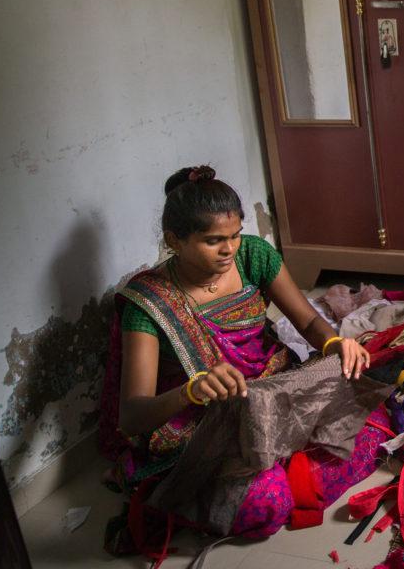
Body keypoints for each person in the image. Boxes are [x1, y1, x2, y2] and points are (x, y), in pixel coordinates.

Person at [100, 166, 384, 544]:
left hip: (271, 391)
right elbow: (133, 417)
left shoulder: (253, 255)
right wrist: (191, 390)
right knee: (267, 504)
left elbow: (307, 321)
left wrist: (335, 345)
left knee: (372, 419)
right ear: (174, 240)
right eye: (213, 240)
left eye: (234, 235)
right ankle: (265, 477)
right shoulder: (150, 303)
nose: (229, 249)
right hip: (203, 419)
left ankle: (275, 467)